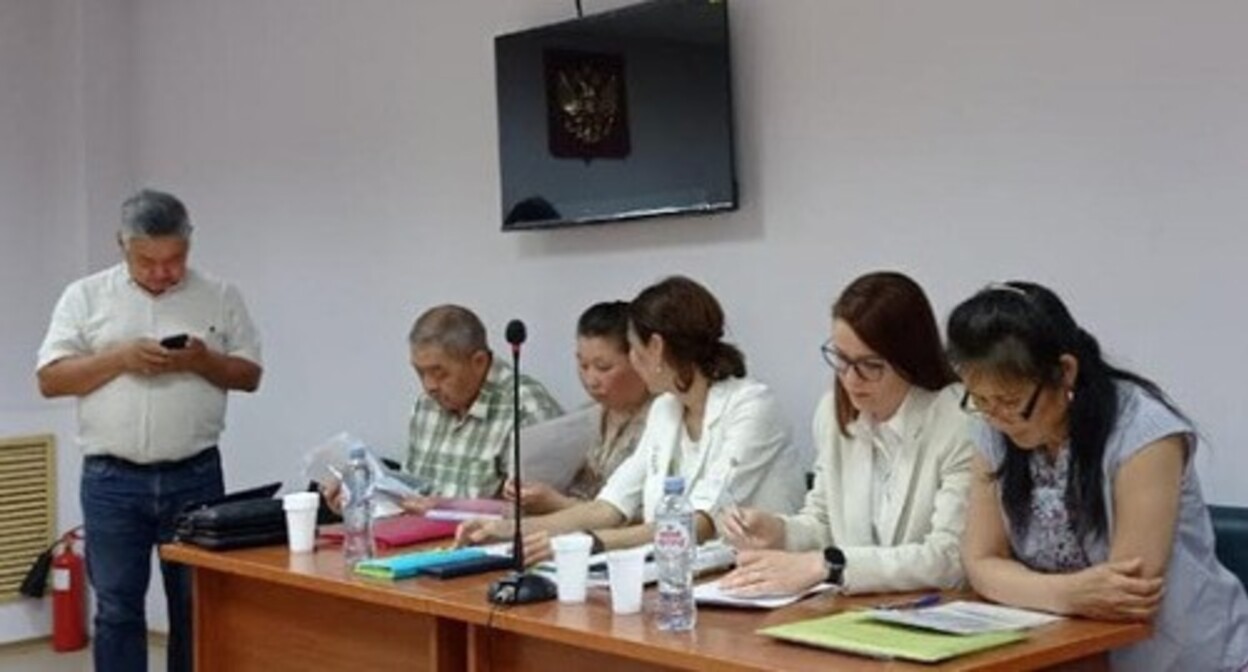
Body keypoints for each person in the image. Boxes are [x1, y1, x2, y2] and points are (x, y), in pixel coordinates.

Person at [947, 281, 1248, 671]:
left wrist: (1022, 587)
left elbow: (1129, 592)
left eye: (1009, 400)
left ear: (1065, 372)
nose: (996, 417)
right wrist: (1070, 593)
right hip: (1062, 653)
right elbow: (980, 561)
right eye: (981, 401)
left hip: (1181, 659)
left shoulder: (1143, 431)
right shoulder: (993, 430)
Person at [36, 189, 263, 672]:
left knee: (194, 607)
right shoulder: (85, 296)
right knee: (117, 610)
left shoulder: (220, 296)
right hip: (112, 481)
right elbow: (50, 379)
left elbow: (250, 376)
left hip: (196, 477)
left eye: (175, 259)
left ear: (190, 244)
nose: (163, 272)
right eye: (148, 261)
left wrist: (205, 361)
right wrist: (119, 358)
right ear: (122, 245)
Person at [458, 276, 804, 561]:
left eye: (634, 350)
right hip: (681, 576)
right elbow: (609, 507)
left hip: (760, 577)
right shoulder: (666, 409)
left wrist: (591, 544)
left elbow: (699, 523)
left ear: (655, 348)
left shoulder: (752, 406)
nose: (634, 362)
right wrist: (509, 529)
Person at [719, 271, 974, 596]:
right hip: (855, 613)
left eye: (870, 365)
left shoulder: (958, 417)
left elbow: (949, 559)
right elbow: (824, 524)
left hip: (934, 614)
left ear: (909, 358)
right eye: (841, 359)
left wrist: (830, 567)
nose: (851, 380)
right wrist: (778, 531)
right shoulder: (833, 412)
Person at [504, 301, 653, 514]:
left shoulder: (663, 418)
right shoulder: (586, 417)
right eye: (583, 366)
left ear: (638, 359)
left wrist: (558, 503)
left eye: (603, 368)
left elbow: (647, 515)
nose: (590, 380)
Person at [403, 304, 563, 500]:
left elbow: (537, 512)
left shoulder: (525, 408)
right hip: (419, 529)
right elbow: (410, 490)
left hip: (485, 530)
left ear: (478, 362)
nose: (429, 386)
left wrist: (448, 508)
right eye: (420, 372)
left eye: (439, 373)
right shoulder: (426, 405)